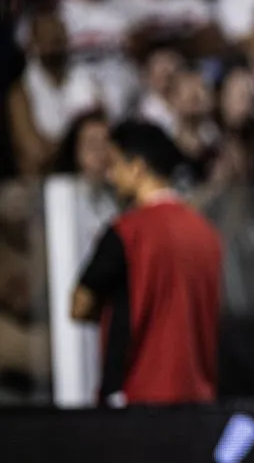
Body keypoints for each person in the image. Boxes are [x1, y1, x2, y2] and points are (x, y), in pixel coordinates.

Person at [71, 122, 222, 405]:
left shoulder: (126, 232)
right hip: (199, 400)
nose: (111, 175)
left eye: (115, 164)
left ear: (137, 167)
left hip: (137, 400)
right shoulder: (207, 233)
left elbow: (79, 305)